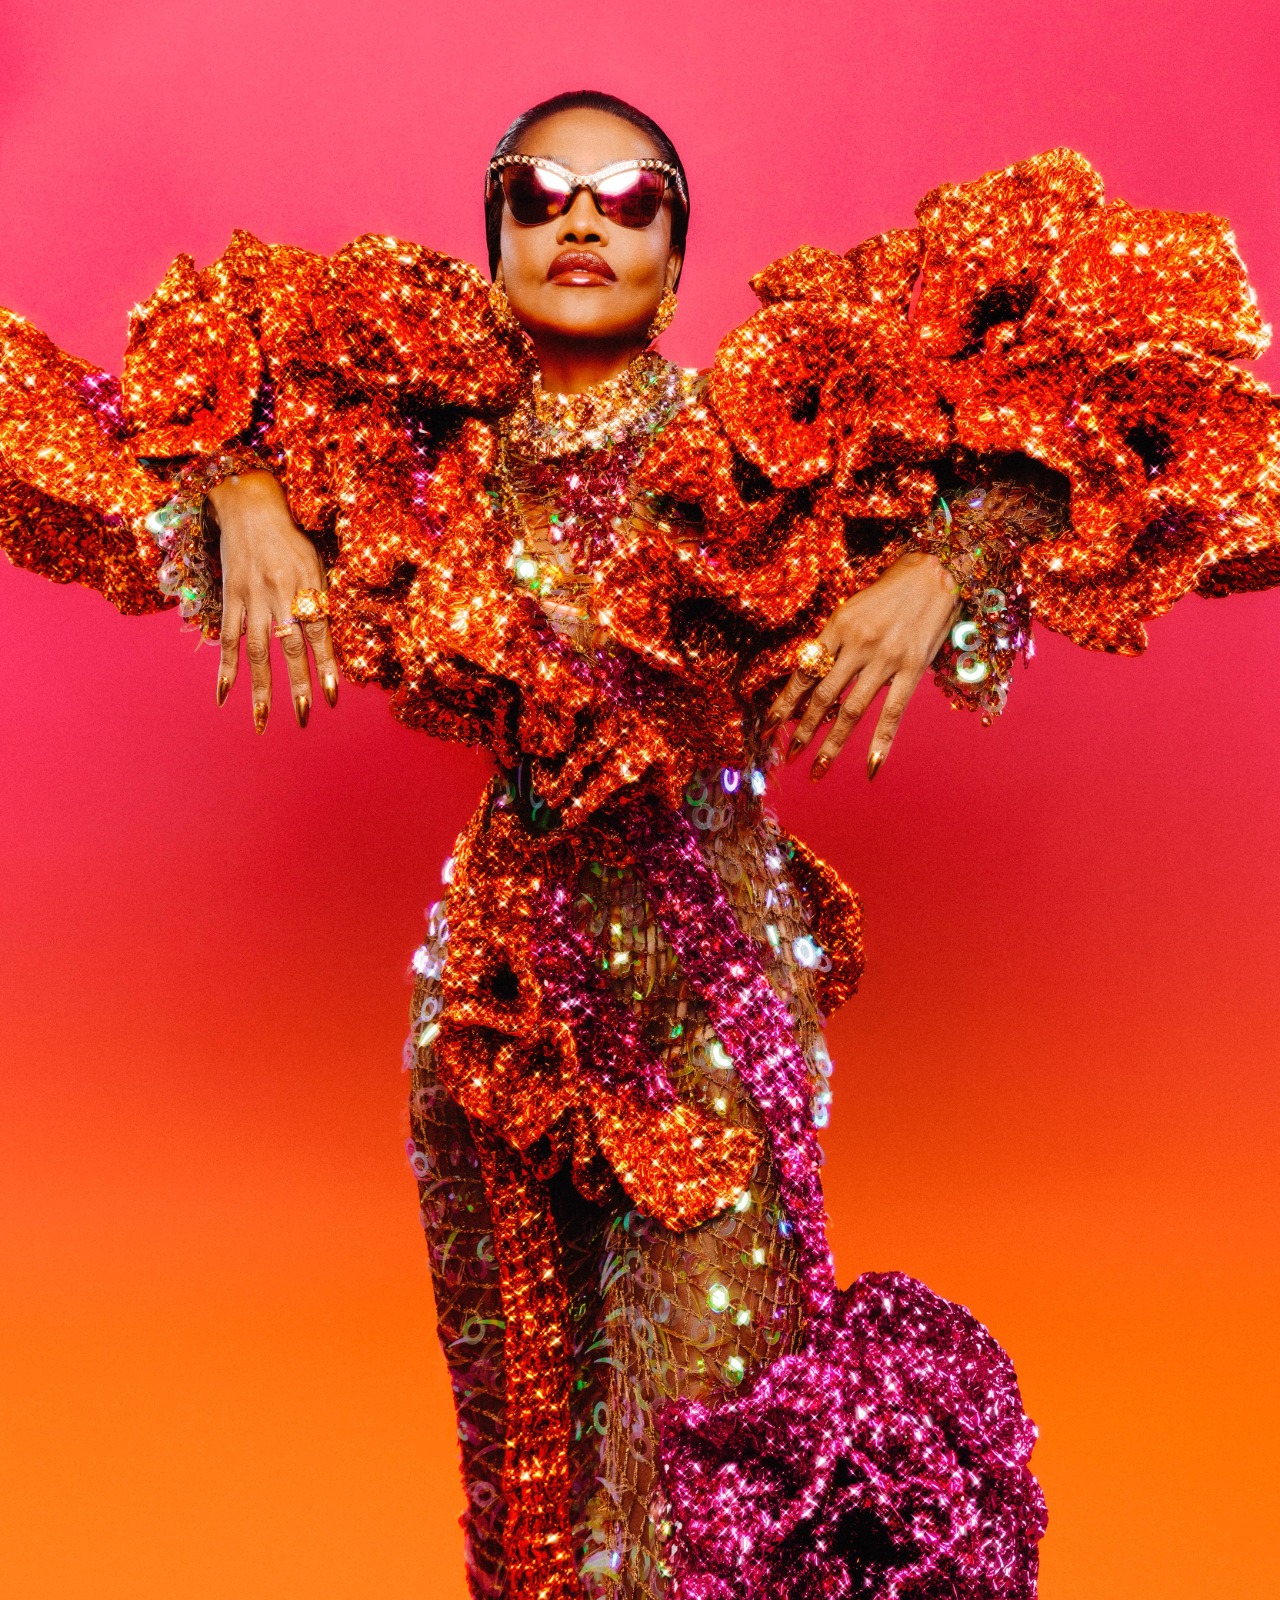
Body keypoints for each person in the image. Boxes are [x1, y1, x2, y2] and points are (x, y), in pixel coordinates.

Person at [2, 87, 1276, 1600]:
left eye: (629, 196)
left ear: (677, 251)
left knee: (689, 1496)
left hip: (711, 1011)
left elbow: (1170, 443)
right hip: (494, 1016)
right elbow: (75, 442)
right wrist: (243, 482)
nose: (582, 222)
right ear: (492, 241)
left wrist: (950, 557)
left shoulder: (773, 448)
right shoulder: (410, 458)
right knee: (529, 1497)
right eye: (538, 193)